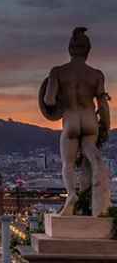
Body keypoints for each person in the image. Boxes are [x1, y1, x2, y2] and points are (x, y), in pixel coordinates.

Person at [43, 27, 111, 216]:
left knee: (69, 164)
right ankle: (96, 171)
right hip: (90, 120)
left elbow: (48, 100)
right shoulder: (97, 75)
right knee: (91, 156)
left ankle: (72, 195)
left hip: (71, 120)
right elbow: (103, 105)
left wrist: (61, 98)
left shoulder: (58, 72)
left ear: (70, 49)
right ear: (88, 50)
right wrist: (106, 125)